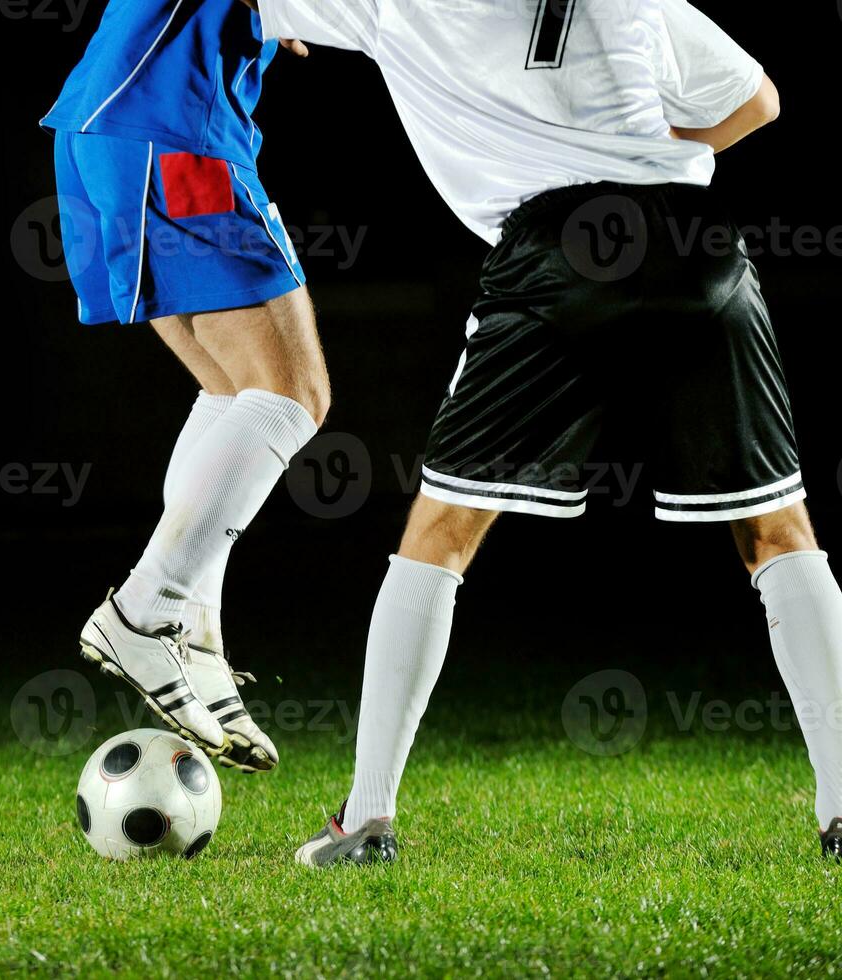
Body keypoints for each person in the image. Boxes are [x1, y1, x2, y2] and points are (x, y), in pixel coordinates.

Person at [254, 0, 842, 864]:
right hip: (695, 238)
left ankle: (366, 821)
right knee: (777, 531)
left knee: (439, 536)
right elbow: (758, 103)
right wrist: (632, 154)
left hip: (557, 250)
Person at [41, 0, 326, 772]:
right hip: (169, 132)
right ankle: (144, 611)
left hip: (118, 128)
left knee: (236, 391)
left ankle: (195, 632)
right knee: (293, 393)